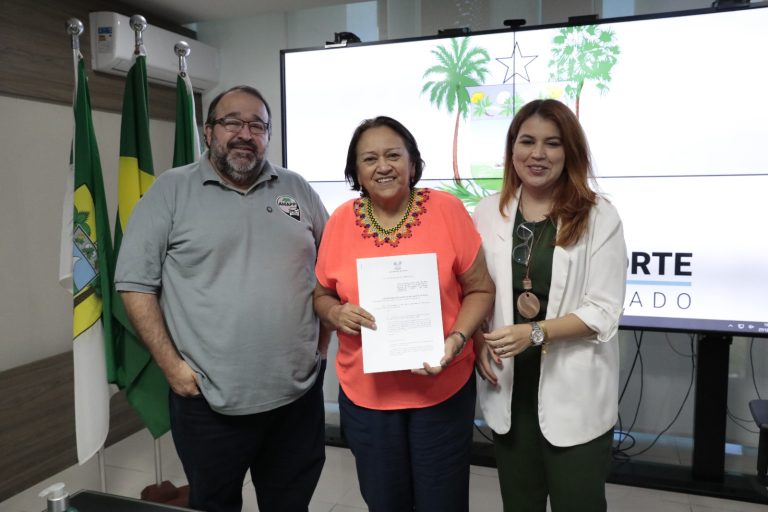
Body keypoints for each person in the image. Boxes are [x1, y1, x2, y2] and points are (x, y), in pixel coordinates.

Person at [114, 85, 329, 512]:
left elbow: (331, 268)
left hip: (296, 397)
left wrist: (320, 348)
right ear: (209, 130)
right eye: (232, 122)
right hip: (209, 402)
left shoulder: (295, 189)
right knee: (215, 504)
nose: (245, 134)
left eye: (257, 125)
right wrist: (171, 367)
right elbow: (135, 284)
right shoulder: (170, 191)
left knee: (290, 504)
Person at [313, 116, 495, 511]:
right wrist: (336, 313)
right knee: (384, 502)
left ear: (412, 163)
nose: (383, 166)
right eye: (369, 158)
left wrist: (458, 338)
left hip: (442, 390)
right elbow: (321, 296)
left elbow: (481, 289)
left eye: (394, 155)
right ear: (356, 171)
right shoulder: (341, 221)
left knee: (442, 502)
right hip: (368, 397)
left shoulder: (446, 210)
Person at [473, 99, 627, 512]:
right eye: (527, 141)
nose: (537, 154)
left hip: (574, 393)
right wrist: (475, 340)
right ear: (512, 150)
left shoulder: (599, 216)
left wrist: (536, 332)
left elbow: (604, 309)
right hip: (509, 389)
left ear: (569, 152)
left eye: (552, 143)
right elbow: (475, 290)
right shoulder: (489, 211)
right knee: (519, 505)